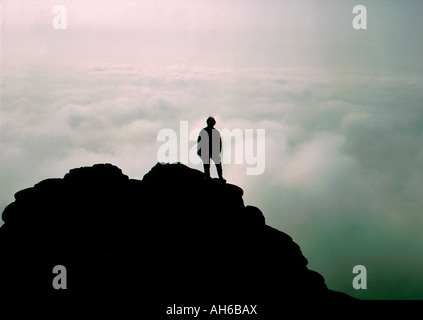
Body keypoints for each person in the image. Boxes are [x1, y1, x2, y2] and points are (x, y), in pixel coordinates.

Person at [197, 117, 225, 182]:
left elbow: (199, 141)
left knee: (208, 165)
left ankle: (209, 177)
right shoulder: (215, 132)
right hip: (209, 151)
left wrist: (199, 150)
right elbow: (219, 142)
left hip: (209, 151)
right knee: (214, 165)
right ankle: (216, 177)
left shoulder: (204, 131)